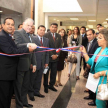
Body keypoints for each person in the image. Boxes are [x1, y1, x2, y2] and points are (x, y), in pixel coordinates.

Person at [0, 17, 36, 108]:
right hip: (5, 72)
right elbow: (11, 50)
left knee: (7, 96)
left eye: (12, 24)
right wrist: (28, 48)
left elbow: (15, 49)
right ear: (3, 25)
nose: (10, 26)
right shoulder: (2, 36)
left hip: (10, 71)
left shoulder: (8, 36)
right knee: (4, 96)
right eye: (8, 24)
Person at [80, 29, 108, 108]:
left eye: (100, 38)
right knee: (99, 102)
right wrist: (84, 52)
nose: (97, 40)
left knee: (101, 102)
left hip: (104, 80)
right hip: (97, 80)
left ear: (106, 39)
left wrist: (100, 73)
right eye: (98, 38)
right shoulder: (98, 49)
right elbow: (91, 62)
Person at [14, 18, 37, 108]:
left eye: (31, 26)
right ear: (23, 24)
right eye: (28, 25)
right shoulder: (18, 33)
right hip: (20, 64)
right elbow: (17, 45)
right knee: (19, 86)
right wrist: (28, 45)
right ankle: (19, 105)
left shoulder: (29, 36)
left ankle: (24, 102)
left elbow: (33, 51)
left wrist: (34, 64)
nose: (29, 27)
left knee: (25, 85)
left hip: (28, 64)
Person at [28, 25, 49, 100]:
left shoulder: (46, 40)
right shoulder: (32, 38)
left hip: (42, 63)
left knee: (39, 79)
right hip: (34, 63)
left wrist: (46, 62)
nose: (42, 31)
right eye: (41, 30)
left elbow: (47, 52)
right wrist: (31, 63)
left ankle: (36, 92)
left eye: (43, 30)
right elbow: (31, 52)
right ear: (37, 30)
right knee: (32, 79)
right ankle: (31, 93)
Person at [44, 23, 62, 93]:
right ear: (50, 27)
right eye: (52, 27)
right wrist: (52, 55)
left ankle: (51, 85)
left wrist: (57, 55)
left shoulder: (58, 36)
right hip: (48, 58)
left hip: (56, 58)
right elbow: (46, 47)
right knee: (46, 72)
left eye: (55, 27)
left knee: (54, 72)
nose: (54, 28)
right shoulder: (46, 35)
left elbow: (60, 46)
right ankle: (45, 86)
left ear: (57, 28)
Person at [83, 29, 99, 106]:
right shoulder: (89, 42)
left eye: (90, 34)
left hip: (93, 65)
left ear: (94, 34)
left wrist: (91, 63)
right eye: (87, 35)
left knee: (94, 82)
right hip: (89, 63)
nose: (88, 36)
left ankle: (95, 100)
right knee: (91, 81)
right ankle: (91, 95)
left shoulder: (97, 43)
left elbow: (95, 56)